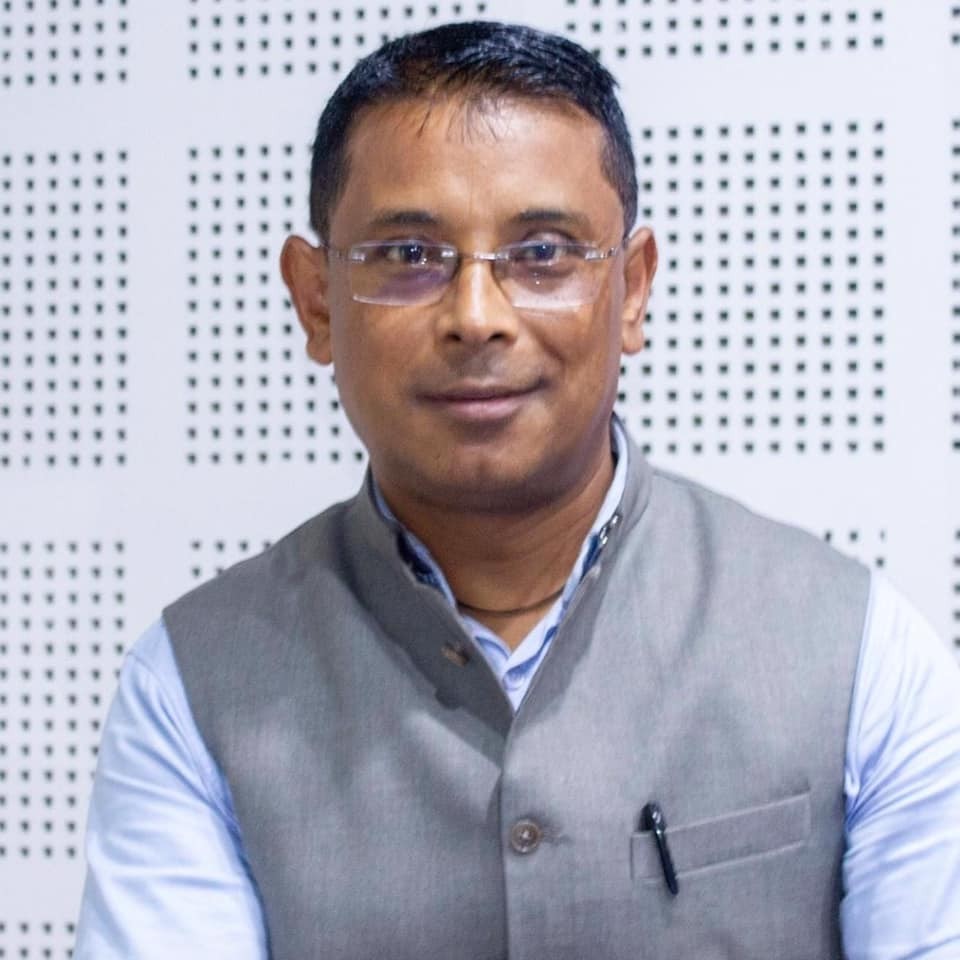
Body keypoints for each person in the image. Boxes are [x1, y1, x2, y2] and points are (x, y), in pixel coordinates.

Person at [74, 21, 960, 960]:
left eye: (542, 253)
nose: (476, 317)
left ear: (632, 291)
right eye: (408, 255)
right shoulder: (191, 688)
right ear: (316, 300)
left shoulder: (859, 655)